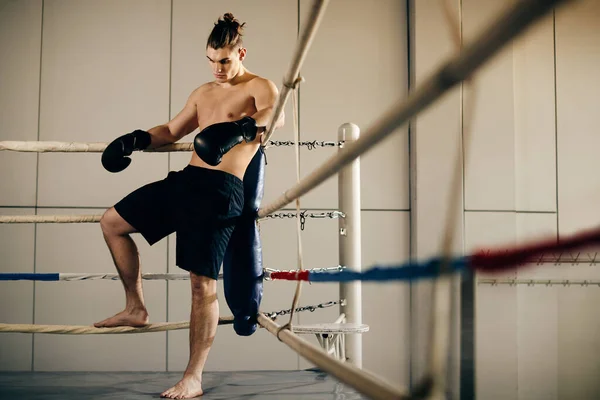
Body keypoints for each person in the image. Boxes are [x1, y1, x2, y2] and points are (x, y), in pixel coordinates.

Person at [94, 13, 284, 399]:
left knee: (201, 285)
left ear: (240, 52)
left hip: (222, 191)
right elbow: (172, 130)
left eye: (224, 60)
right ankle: (136, 307)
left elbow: (273, 119)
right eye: (211, 60)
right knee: (112, 222)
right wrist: (134, 139)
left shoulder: (260, 86)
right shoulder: (203, 92)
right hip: (187, 180)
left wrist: (239, 128)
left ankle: (192, 378)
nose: (217, 68)